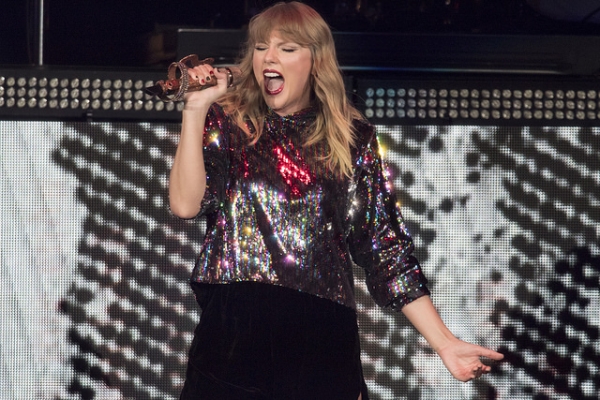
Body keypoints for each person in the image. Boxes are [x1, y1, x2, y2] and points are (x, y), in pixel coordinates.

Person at [169, 2, 504, 399]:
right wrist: (195, 110)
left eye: (287, 48)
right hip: (235, 333)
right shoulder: (230, 123)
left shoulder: (351, 138)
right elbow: (186, 205)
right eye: (260, 47)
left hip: (320, 337)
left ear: (316, 61)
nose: (269, 58)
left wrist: (444, 342)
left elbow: (383, 246)